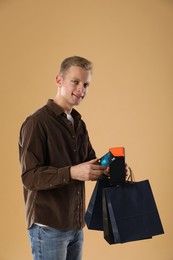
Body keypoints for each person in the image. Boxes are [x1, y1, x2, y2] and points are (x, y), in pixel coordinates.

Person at [18, 56, 107, 260]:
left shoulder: (77, 123)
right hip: (48, 226)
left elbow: (88, 162)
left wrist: (107, 167)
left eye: (86, 84)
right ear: (59, 80)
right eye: (75, 82)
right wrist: (72, 172)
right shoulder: (36, 123)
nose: (81, 89)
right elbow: (30, 177)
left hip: (75, 225)